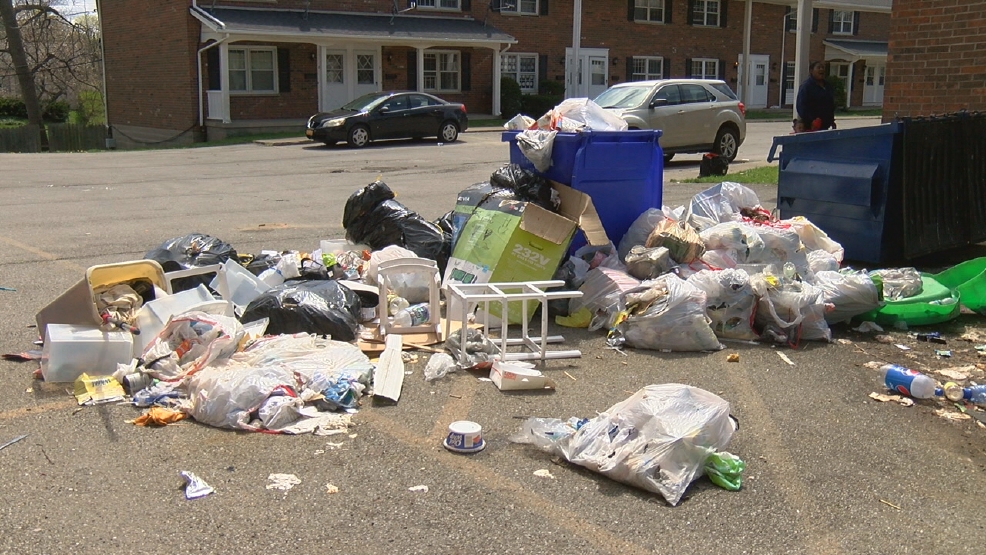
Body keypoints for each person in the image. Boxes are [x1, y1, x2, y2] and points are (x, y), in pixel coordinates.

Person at [795, 61, 836, 132]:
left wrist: (831, 120)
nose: (821, 69)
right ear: (811, 71)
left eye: (823, 68)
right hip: (811, 126)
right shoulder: (806, 86)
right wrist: (811, 120)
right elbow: (801, 106)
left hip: (825, 125)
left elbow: (831, 104)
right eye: (818, 67)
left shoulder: (828, 86)